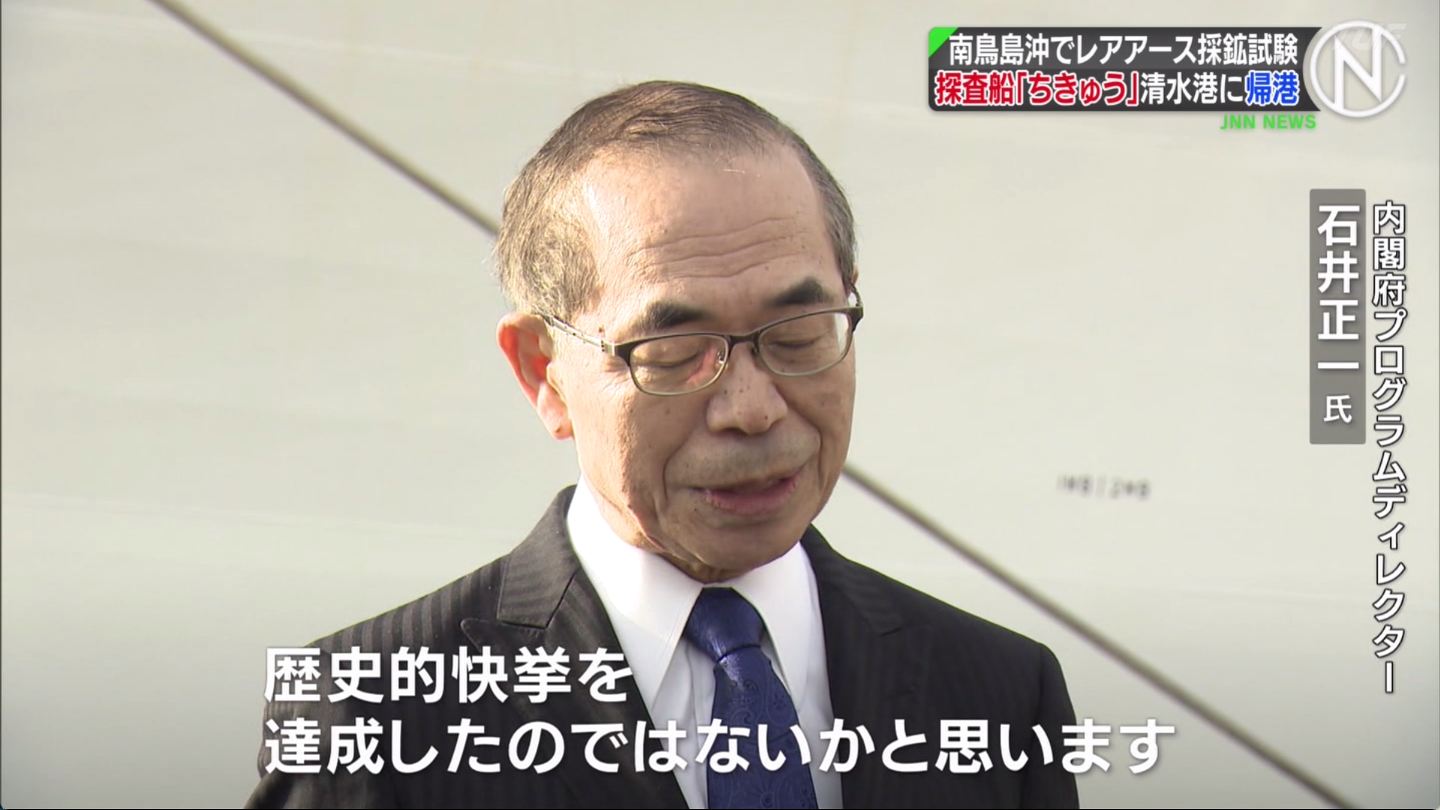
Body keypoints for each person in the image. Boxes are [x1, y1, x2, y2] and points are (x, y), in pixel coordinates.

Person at [245, 80, 1079, 809]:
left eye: (799, 334)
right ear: (542, 370)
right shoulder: (370, 711)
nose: (752, 410)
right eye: (674, 353)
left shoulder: (1003, 693)